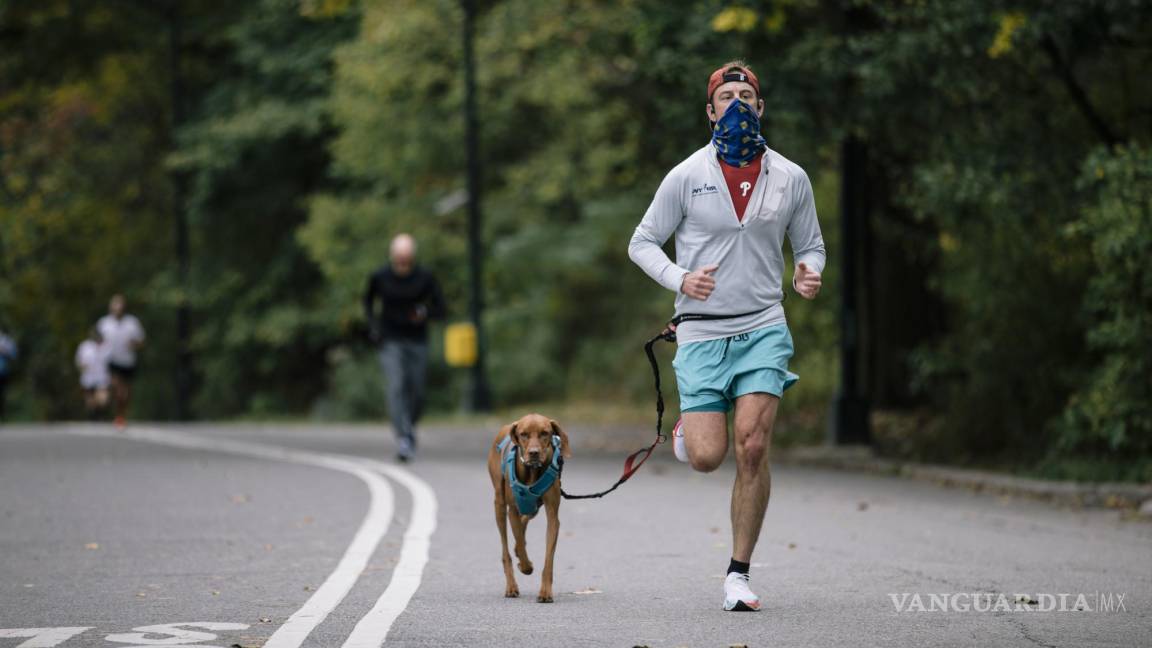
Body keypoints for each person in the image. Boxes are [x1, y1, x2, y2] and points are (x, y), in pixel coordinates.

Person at [628, 61, 825, 612]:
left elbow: (811, 245)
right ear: (709, 111)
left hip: (764, 325)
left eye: (747, 95)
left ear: (760, 108)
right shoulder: (687, 175)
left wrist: (808, 271)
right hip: (701, 334)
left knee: (753, 447)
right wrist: (679, 277)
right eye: (726, 96)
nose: (737, 104)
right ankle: (690, 428)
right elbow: (642, 242)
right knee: (708, 458)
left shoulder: (790, 177)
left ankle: (738, 574)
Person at [363, 234, 446, 462]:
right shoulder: (380, 277)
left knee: (417, 390)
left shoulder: (425, 278)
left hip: (417, 340)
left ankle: (409, 424)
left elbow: (441, 308)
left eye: (406, 258)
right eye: (399, 257)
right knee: (397, 385)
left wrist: (424, 313)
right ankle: (404, 437)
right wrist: (373, 327)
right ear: (392, 256)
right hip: (390, 340)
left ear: (412, 257)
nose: (402, 262)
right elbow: (368, 301)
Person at [96, 294, 146, 428]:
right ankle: (115, 414)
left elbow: (141, 341)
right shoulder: (104, 323)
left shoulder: (132, 323)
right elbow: (98, 340)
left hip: (128, 361)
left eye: (120, 305)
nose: (118, 308)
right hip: (111, 360)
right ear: (111, 307)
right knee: (118, 388)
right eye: (115, 305)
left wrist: (134, 344)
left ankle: (121, 414)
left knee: (126, 393)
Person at [75, 327, 111, 420]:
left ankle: (101, 414)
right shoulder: (85, 346)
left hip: (101, 377)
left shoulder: (106, 346)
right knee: (90, 402)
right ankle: (93, 417)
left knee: (103, 400)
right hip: (88, 377)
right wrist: (82, 367)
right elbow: (79, 361)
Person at [0, 325, 17, 421]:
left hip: (3, 372)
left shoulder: (5, 341)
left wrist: (4, 351)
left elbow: (14, 354)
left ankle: (3, 416)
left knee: (2, 394)